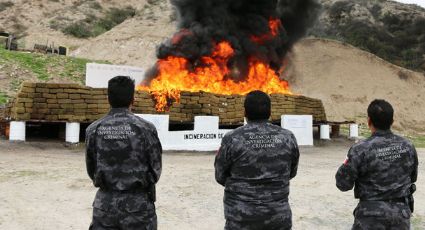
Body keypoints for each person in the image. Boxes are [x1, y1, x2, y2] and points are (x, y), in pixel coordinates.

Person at [214, 90, 300, 230]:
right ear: (270, 112)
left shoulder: (232, 138)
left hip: (241, 219)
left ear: (245, 112)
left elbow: (220, 176)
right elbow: (291, 173)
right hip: (278, 218)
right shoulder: (288, 137)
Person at [85, 76, 162, 230]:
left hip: (105, 207)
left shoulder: (93, 129)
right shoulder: (146, 129)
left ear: (108, 98)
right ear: (132, 99)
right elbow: (155, 171)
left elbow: (91, 169)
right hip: (138, 208)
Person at [335, 99, 418, 230]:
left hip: (370, 216)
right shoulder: (408, 146)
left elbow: (342, 184)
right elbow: (413, 177)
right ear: (392, 121)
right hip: (400, 215)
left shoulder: (360, 149)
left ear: (369, 121)